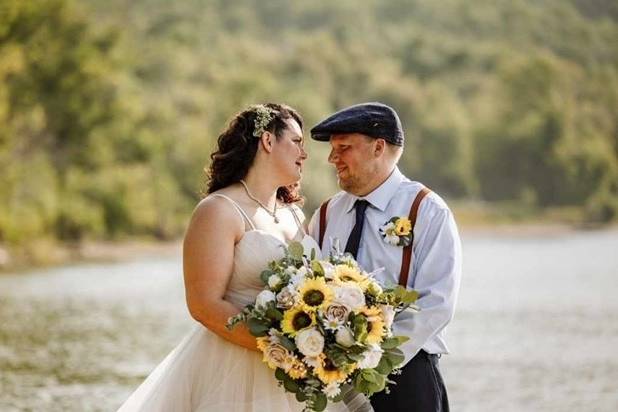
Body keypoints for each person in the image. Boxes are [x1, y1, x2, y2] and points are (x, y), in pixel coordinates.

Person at [117, 103, 370, 412]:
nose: (304, 154)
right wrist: (283, 350)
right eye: (296, 142)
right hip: (232, 368)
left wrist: (315, 343)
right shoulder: (218, 210)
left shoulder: (292, 213)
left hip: (296, 374)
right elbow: (204, 305)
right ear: (267, 141)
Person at [308, 102, 462, 412]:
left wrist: (372, 361)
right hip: (334, 381)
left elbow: (436, 304)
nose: (332, 158)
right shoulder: (325, 215)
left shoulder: (427, 210)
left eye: (343, 148)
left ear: (378, 147)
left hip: (406, 376)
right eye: (332, 149)